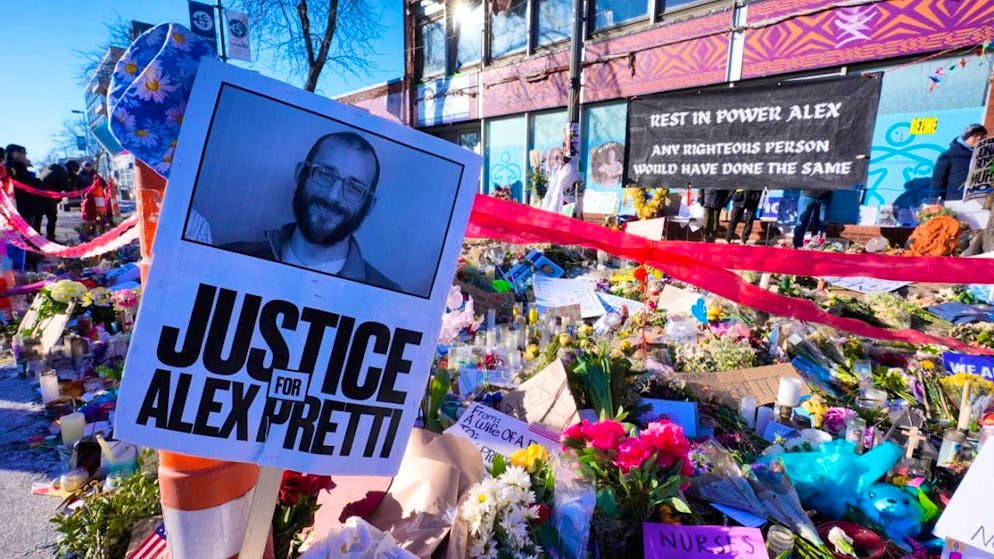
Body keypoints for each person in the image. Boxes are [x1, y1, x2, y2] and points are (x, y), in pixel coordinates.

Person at [221, 131, 401, 291]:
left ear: (368, 205)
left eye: (354, 187)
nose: (333, 196)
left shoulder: (390, 298)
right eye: (325, 173)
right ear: (301, 174)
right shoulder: (226, 260)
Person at [931, 123, 987, 201]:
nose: (979, 138)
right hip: (956, 200)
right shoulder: (949, 155)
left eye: (982, 135)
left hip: (980, 199)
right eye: (975, 135)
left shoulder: (985, 155)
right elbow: (937, 181)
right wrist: (934, 201)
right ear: (966, 138)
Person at [4, 144, 43, 228]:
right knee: (26, 228)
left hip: (26, 202)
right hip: (21, 203)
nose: (25, 155)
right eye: (24, 153)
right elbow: (23, 182)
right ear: (15, 153)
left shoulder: (19, 166)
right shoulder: (11, 167)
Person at [38, 163, 69, 241]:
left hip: (38, 196)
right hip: (49, 197)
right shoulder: (60, 173)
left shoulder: (47, 170)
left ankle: (36, 238)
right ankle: (50, 238)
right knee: (52, 218)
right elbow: (67, 187)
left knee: (38, 218)